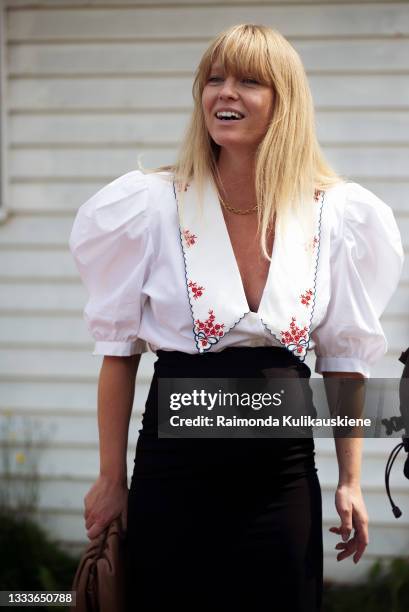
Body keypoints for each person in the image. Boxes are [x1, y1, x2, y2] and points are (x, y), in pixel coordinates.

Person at [68, 23, 404, 612]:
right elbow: (118, 353)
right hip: (174, 475)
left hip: (281, 481)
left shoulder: (338, 215)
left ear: (285, 101)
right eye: (214, 79)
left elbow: (345, 362)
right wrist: (109, 477)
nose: (226, 93)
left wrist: (351, 481)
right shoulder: (149, 205)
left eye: (250, 81)